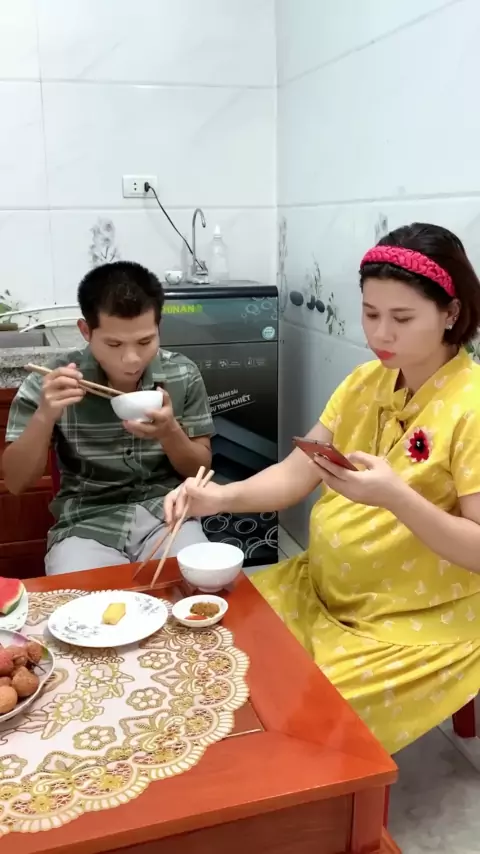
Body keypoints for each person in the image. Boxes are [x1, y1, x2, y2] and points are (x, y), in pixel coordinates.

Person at [164, 223, 480, 754]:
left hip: (411, 620)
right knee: (211, 655)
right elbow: (296, 473)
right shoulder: (365, 383)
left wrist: (396, 497)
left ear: (451, 313)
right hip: (320, 588)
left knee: (294, 726)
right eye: (370, 313)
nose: (381, 334)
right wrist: (217, 498)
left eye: (402, 318)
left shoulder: (472, 407)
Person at [3, 261, 214, 574]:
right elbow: (16, 482)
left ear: (158, 326)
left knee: (200, 583)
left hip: (167, 515)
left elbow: (201, 471)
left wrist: (170, 432)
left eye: (145, 342)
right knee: (79, 600)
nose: (131, 359)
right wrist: (45, 415)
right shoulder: (51, 380)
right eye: (114, 344)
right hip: (86, 523)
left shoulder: (182, 373)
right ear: (85, 331)